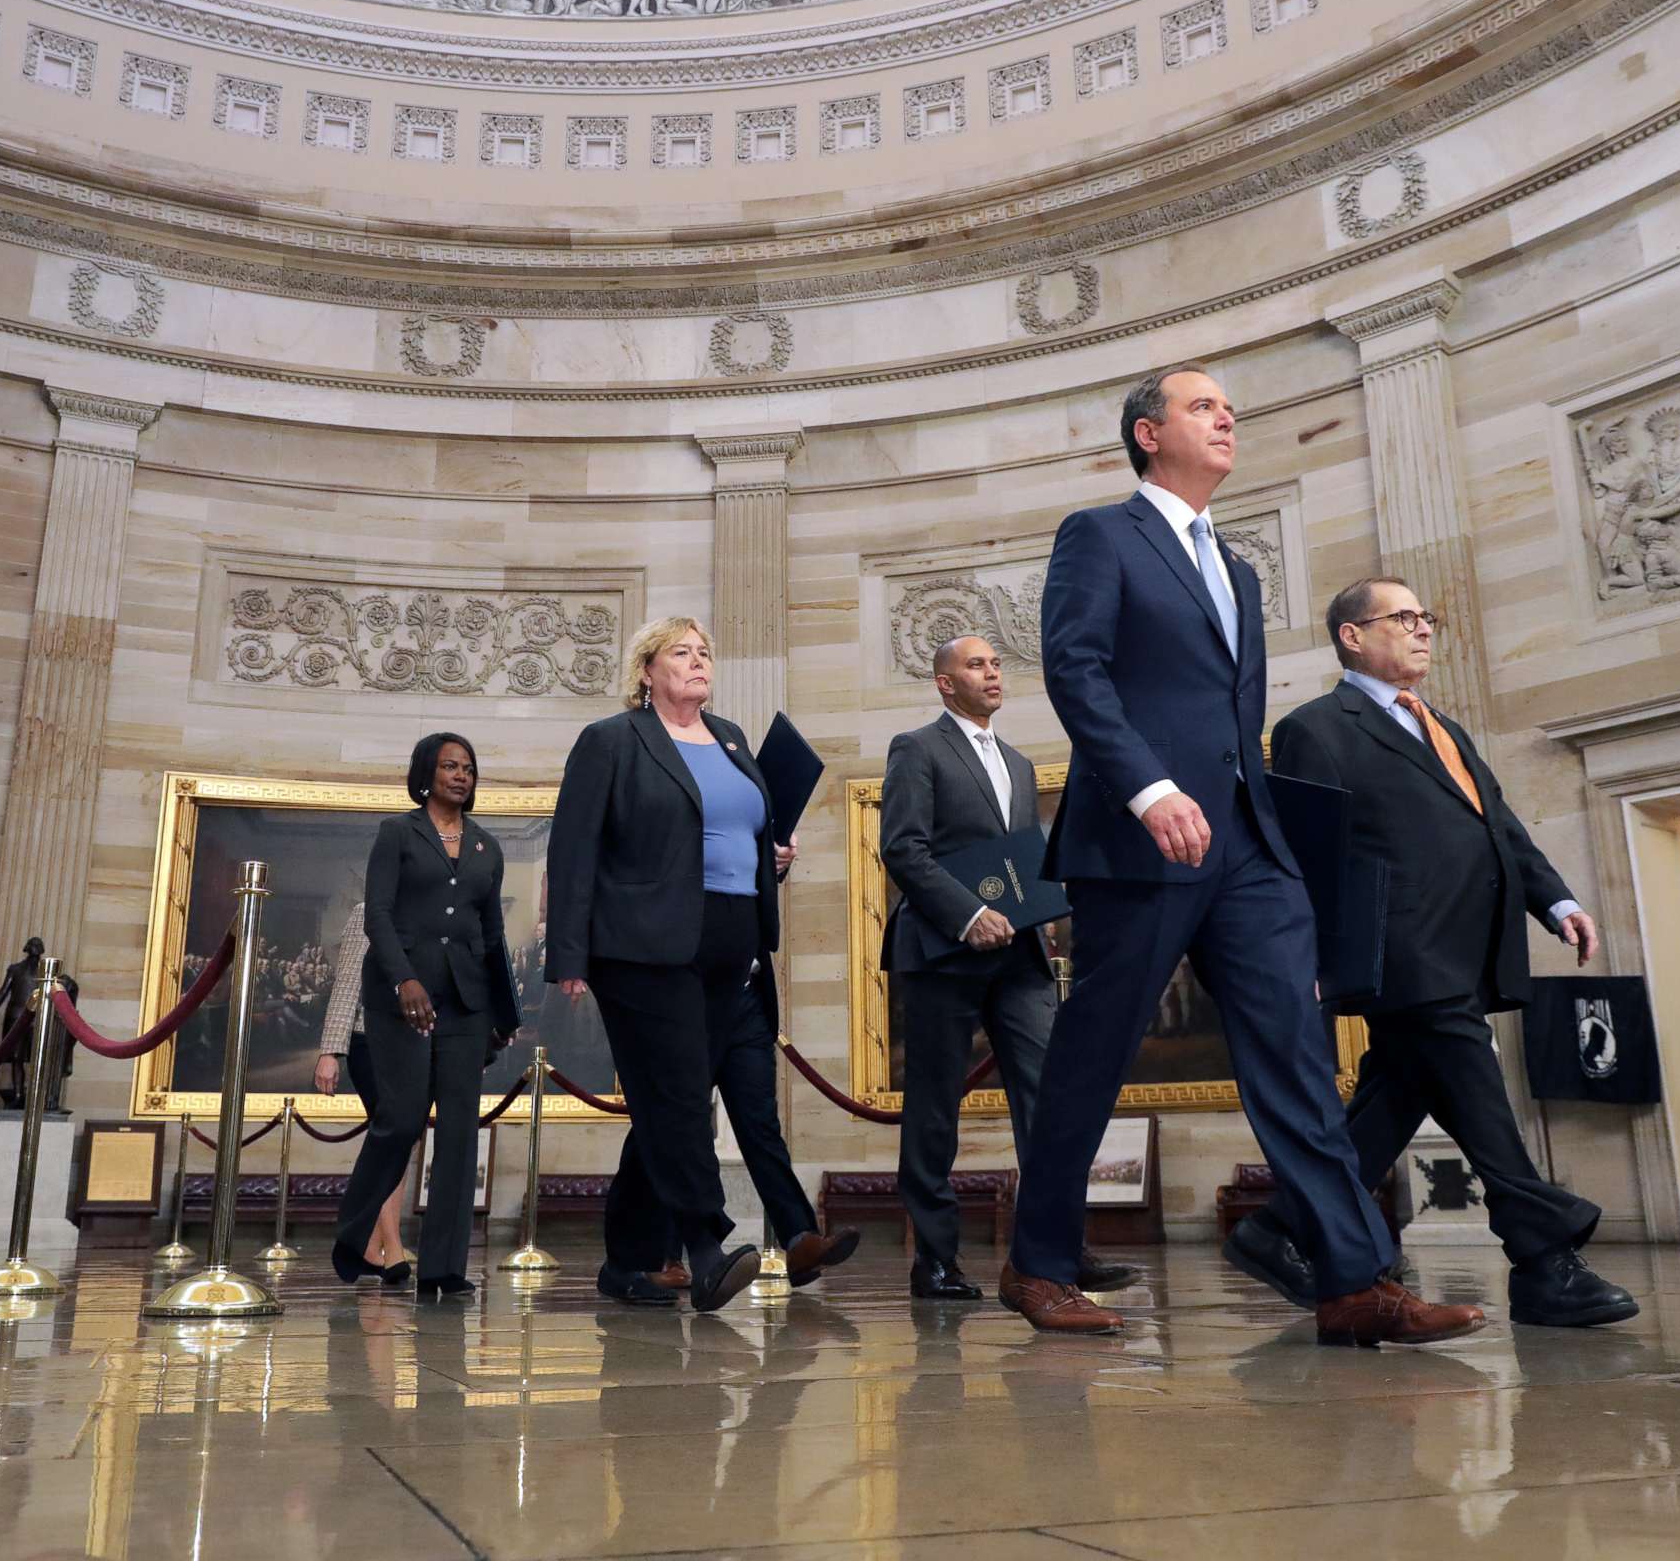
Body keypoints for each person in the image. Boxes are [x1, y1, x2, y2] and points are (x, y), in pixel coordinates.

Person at [999, 367, 1487, 1346]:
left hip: (1247, 842)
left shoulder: (1241, 567)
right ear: (1148, 433)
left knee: (1297, 1057)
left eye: (1233, 404)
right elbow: (1076, 669)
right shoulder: (1101, 535)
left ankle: (1353, 1281)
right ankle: (1039, 1262)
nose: (1227, 416)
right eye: (1202, 406)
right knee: (1094, 1055)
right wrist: (1148, 788)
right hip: (1142, 833)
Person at [1261, 579, 1639, 1329]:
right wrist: (1307, 955)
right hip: (1399, 949)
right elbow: (1307, 854)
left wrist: (1555, 900)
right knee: (1475, 1089)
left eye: (1424, 617)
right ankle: (1543, 1259)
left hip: (1468, 943)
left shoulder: (1445, 726)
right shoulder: (1315, 728)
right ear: (1351, 637)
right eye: (1400, 618)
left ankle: (1279, 1230)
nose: (1422, 629)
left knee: (1396, 1095)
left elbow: (1496, 823)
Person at [546, 617, 858, 1312]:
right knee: (683, 1104)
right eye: (681, 653)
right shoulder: (612, 741)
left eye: (704, 652)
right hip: (646, 952)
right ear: (646, 670)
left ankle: (632, 1260)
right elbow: (573, 850)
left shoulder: (732, 738)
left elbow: (737, 833)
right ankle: (707, 1245)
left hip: (737, 949)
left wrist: (770, 857)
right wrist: (569, 953)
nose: (698, 662)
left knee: (683, 1103)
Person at [880, 635, 1136, 1302]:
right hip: (941, 953)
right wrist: (968, 915)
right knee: (934, 1110)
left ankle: (1056, 1250)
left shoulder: (1021, 765)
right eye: (975, 665)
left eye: (995, 664)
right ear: (944, 682)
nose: (991, 673)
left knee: (1052, 1097)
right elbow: (903, 850)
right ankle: (935, 1261)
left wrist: (1040, 909)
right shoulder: (917, 748)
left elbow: (1018, 861)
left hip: (1019, 955)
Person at [329, 734, 520, 1297]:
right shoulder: (397, 834)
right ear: (426, 773)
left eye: (468, 768)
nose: (460, 775)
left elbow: (492, 936)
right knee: (403, 1119)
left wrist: (502, 1013)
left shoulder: (487, 847)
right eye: (449, 766)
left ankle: (444, 1268)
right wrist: (403, 978)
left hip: (466, 1003)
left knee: (460, 1132)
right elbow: (378, 916)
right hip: (402, 1001)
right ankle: (354, 1233)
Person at [314, 901, 413, 1276]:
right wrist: (330, 1051)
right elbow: (348, 982)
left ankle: (371, 1245)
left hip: (411, 1042)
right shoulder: (366, 911)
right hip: (366, 1039)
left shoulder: (436, 909)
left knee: (404, 1139)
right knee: (392, 1136)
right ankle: (394, 1248)